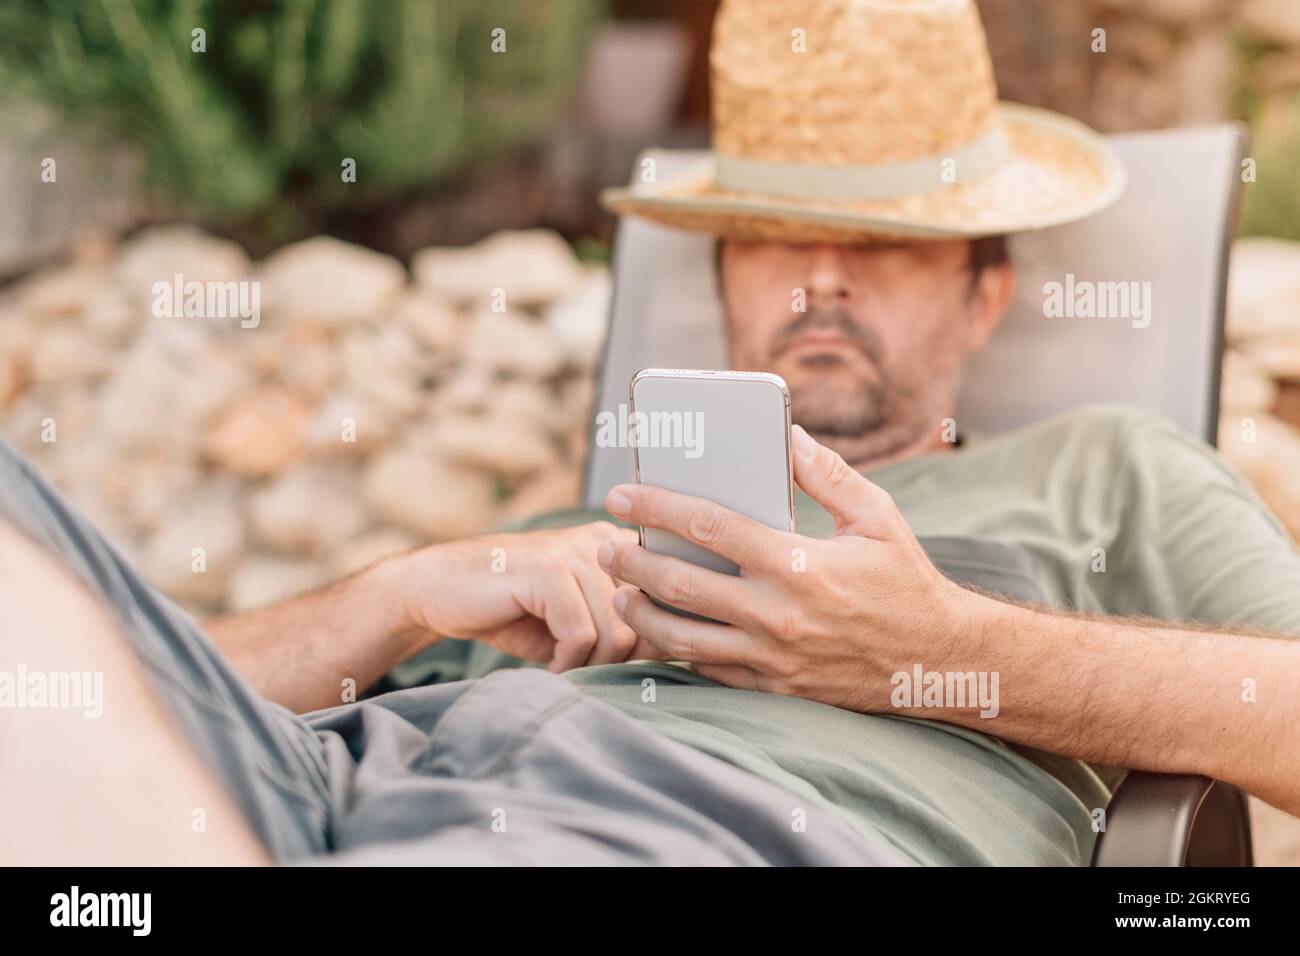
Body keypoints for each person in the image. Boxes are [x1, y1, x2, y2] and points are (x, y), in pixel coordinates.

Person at [5, 0, 1298, 867]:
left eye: (889, 243)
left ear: (987, 293)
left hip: (680, 833)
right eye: (779, 233)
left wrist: (931, 651)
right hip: (342, 787)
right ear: (727, 275)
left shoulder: (1103, 474)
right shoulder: (570, 538)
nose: (823, 278)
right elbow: (119, 686)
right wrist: (401, 597)